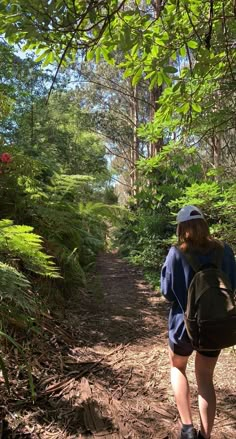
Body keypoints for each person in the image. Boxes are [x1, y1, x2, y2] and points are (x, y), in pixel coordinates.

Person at [160, 205, 236, 439]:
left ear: (180, 228)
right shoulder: (224, 250)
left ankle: (187, 429)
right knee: (205, 378)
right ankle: (205, 434)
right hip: (214, 325)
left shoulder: (176, 252)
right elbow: (232, 285)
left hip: (183, 325)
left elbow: (167, 292)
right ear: (205, 224)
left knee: (177, 367)